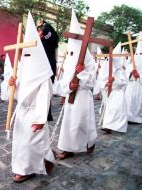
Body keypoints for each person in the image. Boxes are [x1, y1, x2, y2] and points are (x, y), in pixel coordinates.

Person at [10, 12, 55, 183]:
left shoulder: (42, 70)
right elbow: (16, 94)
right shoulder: (22, 67)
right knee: (22, 144)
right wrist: (13, 84)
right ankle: (34, 164)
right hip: (22, 113)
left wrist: (40, 118)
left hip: (35, 113)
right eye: (25, 53)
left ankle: (30, 168)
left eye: (29, 53)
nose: (26, 56)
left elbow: (45, 94)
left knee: (32, 143)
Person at [57, 10, 97, 159]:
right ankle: (68, 148)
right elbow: (63, 80)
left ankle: (88, 142)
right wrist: (68, 87)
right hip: (70, 96)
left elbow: (92, 82)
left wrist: (82, 73)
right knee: (69, 123)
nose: (72, 54)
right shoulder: (69, 59)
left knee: (80, 123)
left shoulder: (89, 61)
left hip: (83, 95)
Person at [100, 42, 128, 133]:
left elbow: (123, 82)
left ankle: (115, 126)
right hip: (109, 93)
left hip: (117, 93)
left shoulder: (120, 71)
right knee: (109, 110)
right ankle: (107, 126)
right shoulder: (106, 69)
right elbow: (101, 80)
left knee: (116, 110)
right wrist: (106, 83)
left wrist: (114, 81)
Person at [37, 17, 59, 121]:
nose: (39, 31)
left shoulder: (48, 30)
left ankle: (46, 113)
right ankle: (44, 112)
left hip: (48, 65)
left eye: (39, 28)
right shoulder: (44, 39)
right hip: (43, 64)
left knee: (46, 89)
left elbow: (46, 32)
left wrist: (42, 29)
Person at [125, 41, 142, 123]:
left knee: (139, 102)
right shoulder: (132, 64)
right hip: (131, 85)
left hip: (141, 86)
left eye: (141, 54)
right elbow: (126, 73)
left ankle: (138, 117)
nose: (138, 56)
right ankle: (129, 117)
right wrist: (130, 74)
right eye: (137, 54)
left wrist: (139, 76)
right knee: (130, 101)